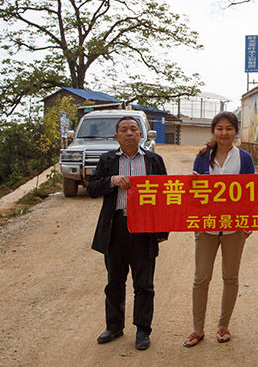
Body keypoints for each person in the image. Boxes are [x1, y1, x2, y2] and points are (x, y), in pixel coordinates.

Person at [88, 116, 169, 351]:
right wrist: (111, 181)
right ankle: (114, 326)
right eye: (124, 130)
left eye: (134, 129)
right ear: (116, 137)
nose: (129, 133)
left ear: (141, 134)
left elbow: (165, 197)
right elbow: (93, 188)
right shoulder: (107, 160)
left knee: (144, 283)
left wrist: (162, 230)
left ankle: (143, 329)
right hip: (115, 228)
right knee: (114, 281)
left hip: (144, 228)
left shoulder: (154, 161)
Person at [183, 111, 255, 347]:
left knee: (230, 277)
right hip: (206, 227)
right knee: (201, 278)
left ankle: (223, 325)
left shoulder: (245, 159)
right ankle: (197, 329)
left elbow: (251, 194)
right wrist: (192, 183)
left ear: (236, 131)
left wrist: (249, 221)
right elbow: (194, 194)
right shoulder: (202, 158)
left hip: (234, 228)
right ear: (213, 131)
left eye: (229, 128)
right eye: (220, 128)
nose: (224, 133)